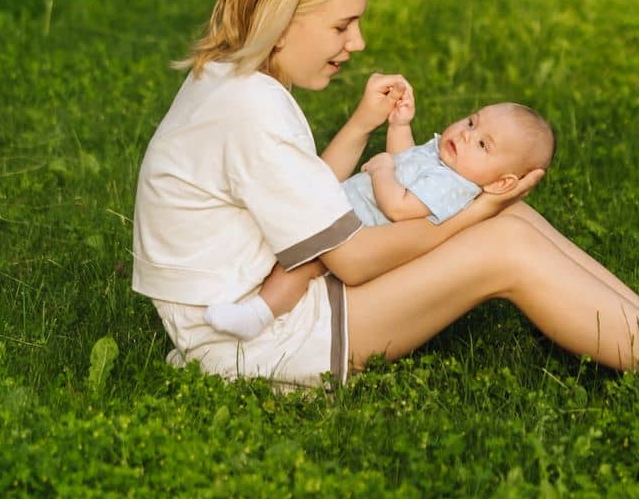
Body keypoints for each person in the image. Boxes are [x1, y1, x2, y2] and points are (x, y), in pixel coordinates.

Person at [131, 0, 639, 389]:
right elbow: (352, 257)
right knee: (504, 243)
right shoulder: (249, 108)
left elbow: (307, 195)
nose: (359, 41)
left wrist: (381, 138)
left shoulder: (235, 83)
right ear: (282, 19)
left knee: (511, 223)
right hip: (257, 338)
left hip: (275, 301)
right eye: (344, 24)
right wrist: (473, 213)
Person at [203, 94, 555, 340]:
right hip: (341, 210)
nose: (466, 134)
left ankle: (259, 314)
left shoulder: (456, 186)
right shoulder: (445, 160)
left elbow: (399, 206)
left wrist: (381, 171)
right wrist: (400, 126)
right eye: (472, 121)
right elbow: (405, 163)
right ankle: (242, 287)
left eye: (483, 144)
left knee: (301, 264)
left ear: (503, 181)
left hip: (360, 231)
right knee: (282, 245)